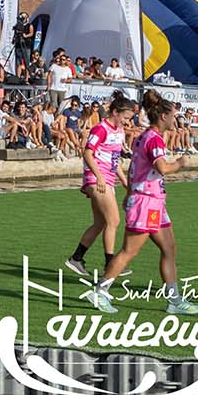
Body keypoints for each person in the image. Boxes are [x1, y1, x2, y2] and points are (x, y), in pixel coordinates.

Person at [83, 93, 198, 316]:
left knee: (169, 247)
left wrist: (129, 192)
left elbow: (134, 168)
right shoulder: (154, 139)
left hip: (153, 200)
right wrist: (180, 163)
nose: (175, 121)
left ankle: (174, 299)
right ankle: (100, 291)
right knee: (129, 251)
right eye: (173, 116)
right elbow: (163, 168)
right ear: (163, 116)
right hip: (146, 201)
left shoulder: (143, 137)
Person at [66, 93, 137, 276]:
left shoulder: (119, 131)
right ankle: (110, 264)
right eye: (125, 118)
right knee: (114, 221)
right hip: (97, 179)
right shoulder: (101, 129)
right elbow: (88, 153)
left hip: (107, 179)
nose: (127, 122)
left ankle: (76, 258)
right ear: (115, 112)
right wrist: (99, 177)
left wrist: (123, 181)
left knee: (100, 223)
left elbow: (114, 160)